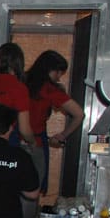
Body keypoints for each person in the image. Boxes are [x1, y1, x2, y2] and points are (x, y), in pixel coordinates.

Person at [24, 49, 86, 193]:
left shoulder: (21, 82)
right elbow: (79, 114)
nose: (58, 78)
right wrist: (62, 136)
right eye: (58, 73)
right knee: (32, 191)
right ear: (52, 70)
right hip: (35, 145)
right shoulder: (49, 89)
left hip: (12, 143)